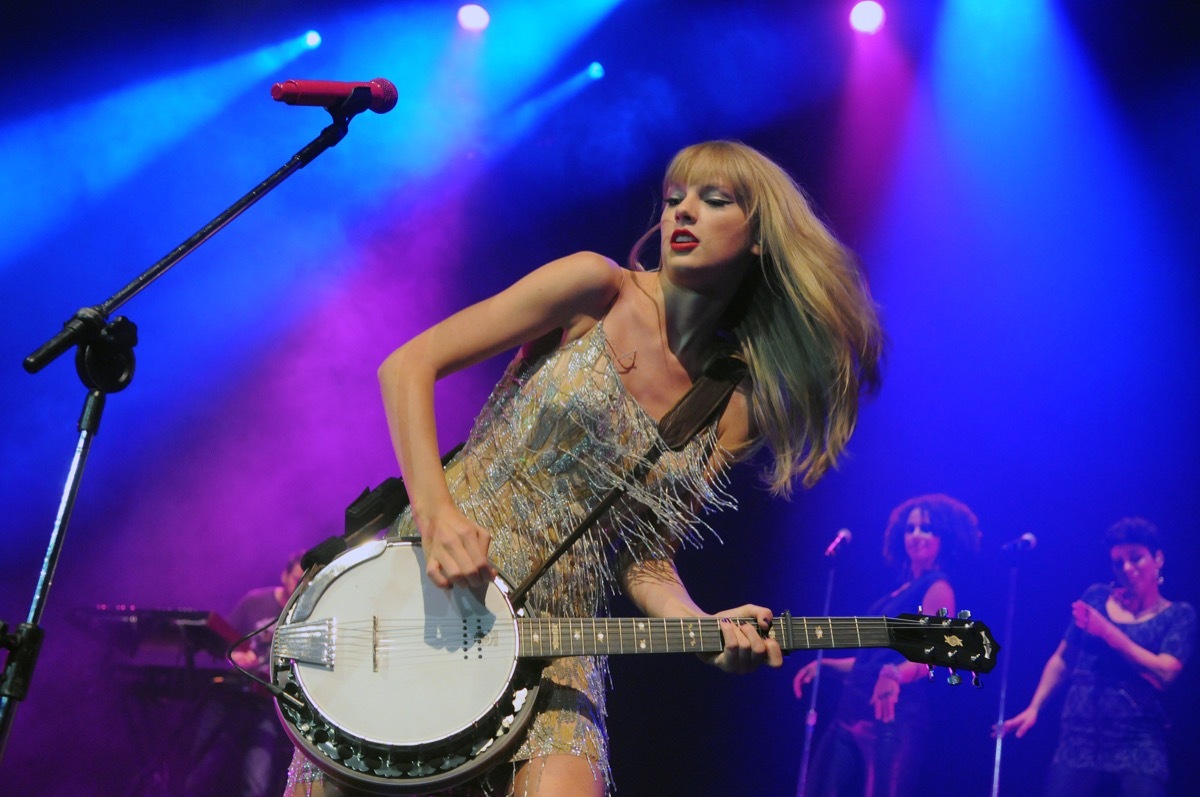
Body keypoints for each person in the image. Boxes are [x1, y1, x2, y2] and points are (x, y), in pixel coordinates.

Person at [284, 140, 884, 796]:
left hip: (557, 635)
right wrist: (437, 515)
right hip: (430, 578)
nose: (683, 212)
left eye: (714, 201)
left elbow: (646, 555)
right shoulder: (594, 287)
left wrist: (704, 629)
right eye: (674, 198)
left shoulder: (731, 405)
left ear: (760, 240)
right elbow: (407, 365)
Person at [792, 493, 982, 797]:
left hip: (892, 717)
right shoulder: (894, 595)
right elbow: (871, 661)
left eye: (926, 528)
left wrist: (895, 675)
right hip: (849, 712)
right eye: (910, 528)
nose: (916, 535)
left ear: (944, 537)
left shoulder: (937, 586)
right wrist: (825, 665)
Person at [997, 517, 1196, 797]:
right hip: (1080, 735)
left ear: (1158, 559)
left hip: (1138, 738)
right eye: (1118, 562)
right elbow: (1062, 659)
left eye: (1136, 558)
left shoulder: (1178, 615)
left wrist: (1108, 633)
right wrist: (1035, 706)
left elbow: (1166, 672)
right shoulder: (1096, 597)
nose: (1127, 568)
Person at [189, 552, 305, 796]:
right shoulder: (255, 602)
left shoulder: (305, 617)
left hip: (266, 706)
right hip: (230, 695)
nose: (299, 587)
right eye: (296, 579)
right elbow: (221, 641)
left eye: (305, 583)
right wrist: (234, 658)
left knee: (257, 780)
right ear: (284, 575)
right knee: (203, 766)